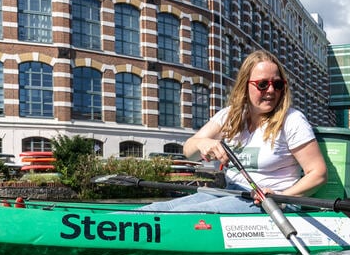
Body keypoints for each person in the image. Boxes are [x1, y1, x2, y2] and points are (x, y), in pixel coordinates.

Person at [137, 50, 327, 213]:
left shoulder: (292, 120)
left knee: (186, 213)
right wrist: (203, 143)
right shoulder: (229, 116)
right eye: (263, 84)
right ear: (245, 85)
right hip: (231, 193)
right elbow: (189, 150)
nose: (271, 91)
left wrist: (282, 196)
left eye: (277, 84)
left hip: (272, 203)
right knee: (156, 209)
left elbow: (317, 173)